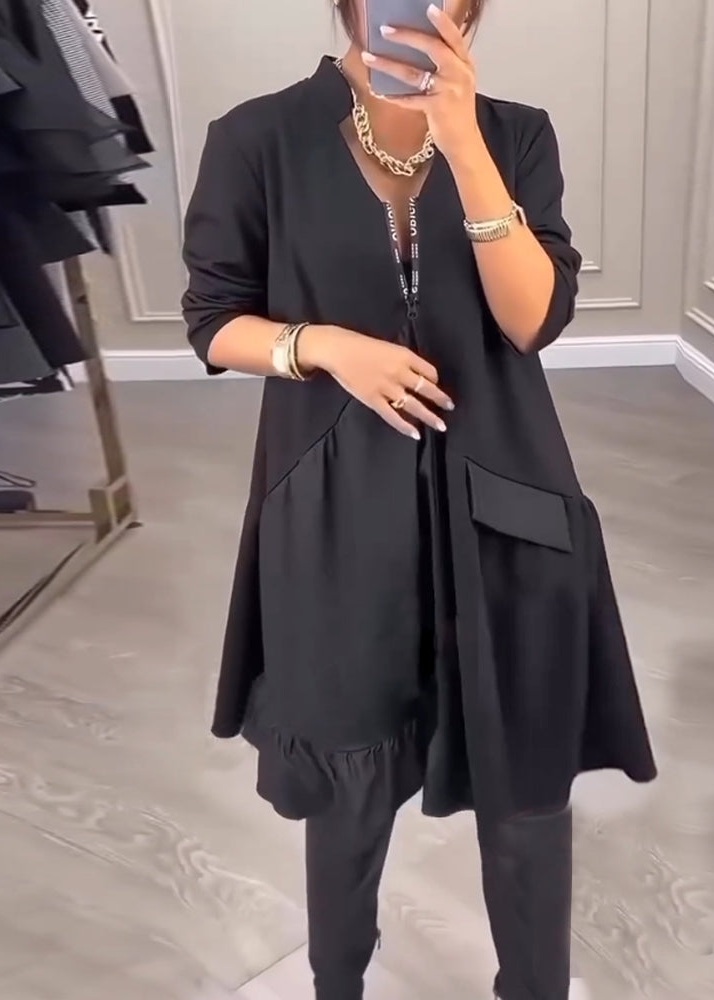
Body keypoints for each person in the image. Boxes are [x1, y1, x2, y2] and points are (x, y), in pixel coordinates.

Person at [182, 2, 657, 997]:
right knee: (347, 776)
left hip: (510, 500)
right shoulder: (257, 136)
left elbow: (532, 320)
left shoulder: (515, 133)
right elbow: (214, 318)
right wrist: (324, 347)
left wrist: (465, 143)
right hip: (331, 506)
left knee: (525, 779)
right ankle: (338, 983)